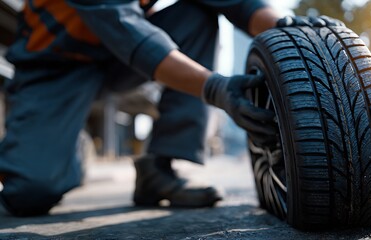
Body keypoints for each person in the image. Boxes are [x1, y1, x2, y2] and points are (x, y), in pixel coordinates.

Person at [0, 0, 343, 216]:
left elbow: (237, 3)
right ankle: (69, 145)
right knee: (30, 193)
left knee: (197, 13)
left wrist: (286, 27)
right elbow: (128, 31)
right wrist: (217, 88)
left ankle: (158, 170)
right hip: (54, 64)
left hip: (114, 58)